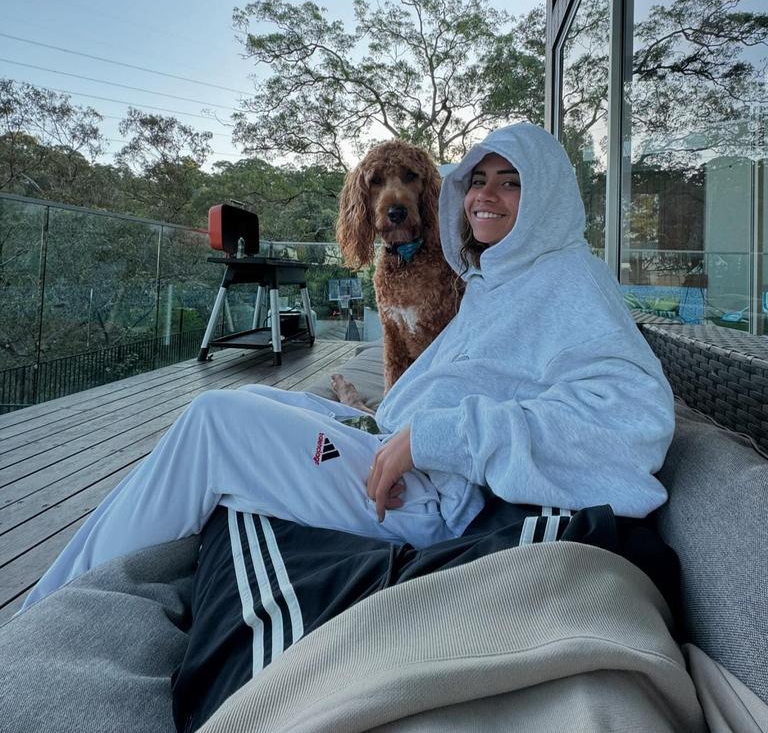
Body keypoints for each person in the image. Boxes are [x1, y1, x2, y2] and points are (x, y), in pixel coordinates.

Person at [22, 122, 674, 611]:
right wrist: (383, 417)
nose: (486, 195)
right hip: (391, 442)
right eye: (478, 178)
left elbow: (633, 417)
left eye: (513, 182)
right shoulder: (502, 272)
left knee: (215, 422)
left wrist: (434, 436)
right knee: (232, 409)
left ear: (549, 195)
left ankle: (41, 616)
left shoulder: (569, 280)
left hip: (425, 493)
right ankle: (66, 592)